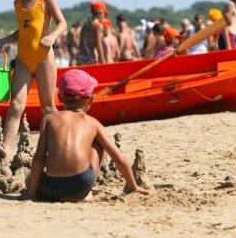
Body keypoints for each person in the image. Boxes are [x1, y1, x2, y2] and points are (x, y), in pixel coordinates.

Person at [26, 69, 149, 202]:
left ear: (60, 98)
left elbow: (39, 157)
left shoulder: (48, 119)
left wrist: (32, 193)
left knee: (29, 180)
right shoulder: (93, 123)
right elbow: (118, 156)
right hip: (81, 184)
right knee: (98, 145)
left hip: (53, 186)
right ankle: (85, 194)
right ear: (91, 98)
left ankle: (59, 195)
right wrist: (133, 186)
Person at [0, 0, 67, 148]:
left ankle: (62, 144)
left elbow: (62, 23)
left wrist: (52, 37)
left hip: (43, 58)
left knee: (48, 107)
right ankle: (5, 150)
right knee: (15, 106)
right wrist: (3, 41)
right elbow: (21, 31)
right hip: (23, 59)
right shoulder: (17, 3)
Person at [78, 1, 107, 65]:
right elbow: (99, 46)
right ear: (101, 12)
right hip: (90, 59)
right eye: (105, 13)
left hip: (81, 58)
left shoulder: (85, 25)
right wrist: (103, 62)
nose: (104, 16)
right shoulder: (98, 26)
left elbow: (80, 44)